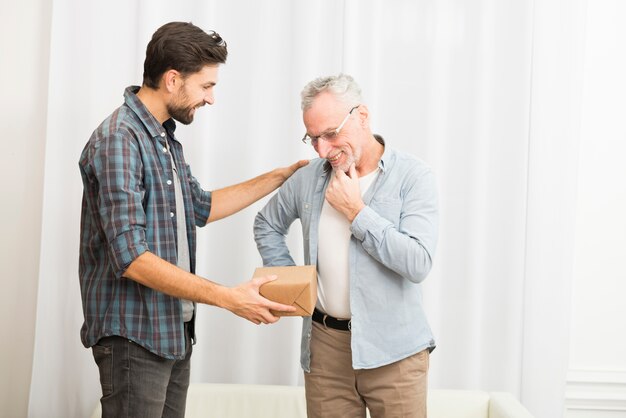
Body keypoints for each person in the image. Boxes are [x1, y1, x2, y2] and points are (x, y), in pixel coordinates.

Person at [78, 21, 307, 418]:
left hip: (173, 332)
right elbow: (131, 257)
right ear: (172, 79)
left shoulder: (164, 139)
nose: (211, 98)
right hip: (136, 338)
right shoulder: (120, 139)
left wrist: (281, 175)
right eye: (206, 86)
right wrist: (229, 297)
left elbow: (201, 206)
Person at [254, 74, 438, 418]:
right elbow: (267, 223)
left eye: (330, 134)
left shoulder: (413, 177)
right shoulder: (309, 177)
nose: (323, 150)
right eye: (313, 139)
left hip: (395, 354)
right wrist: (294, 283)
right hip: (325, 352)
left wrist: (357, 212)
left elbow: (418, 263)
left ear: (362, 117)